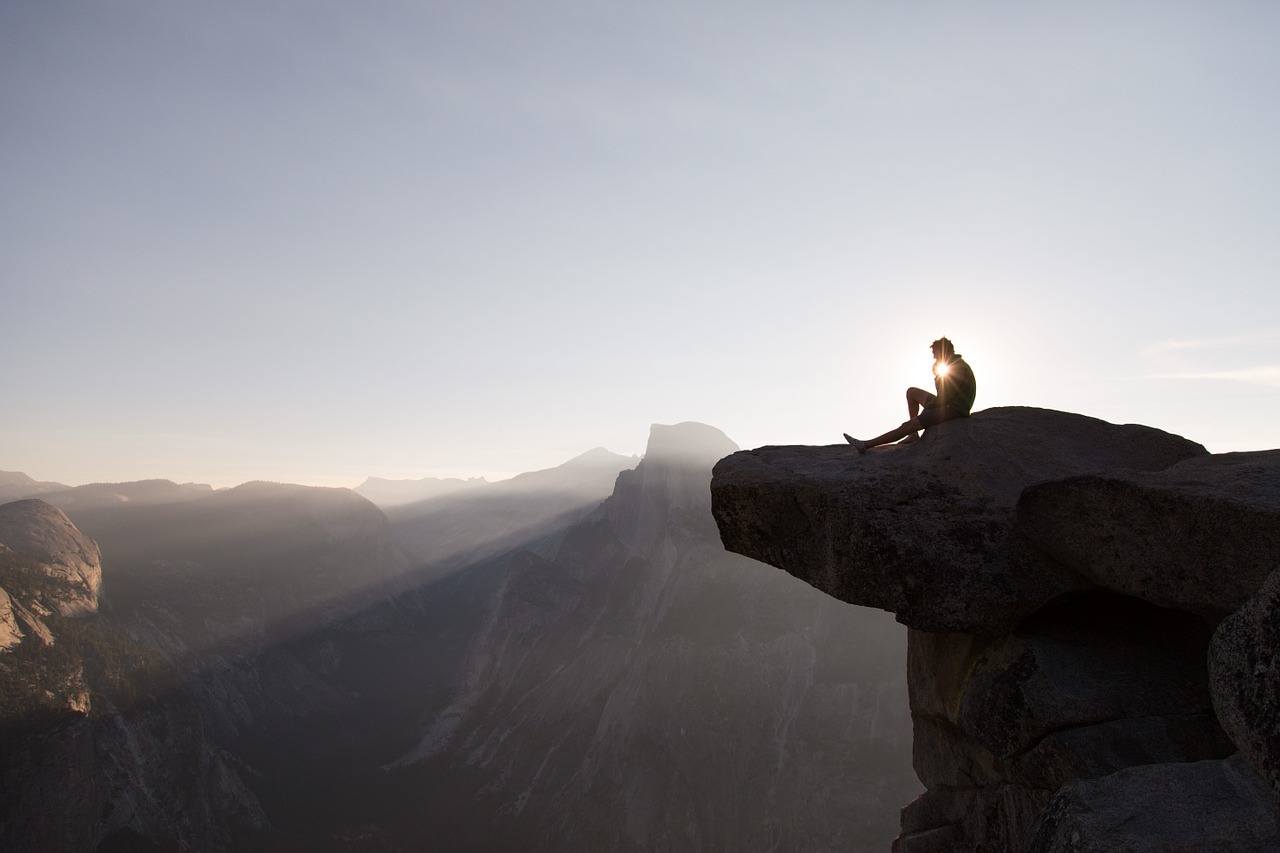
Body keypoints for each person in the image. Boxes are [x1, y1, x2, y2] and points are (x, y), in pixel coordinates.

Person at [843, 337, 976, 454]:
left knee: (908, 425)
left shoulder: (955, 367)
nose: (934, 357)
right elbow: (944, 394)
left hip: (954, 408)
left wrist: (928, 410)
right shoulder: (952, 364)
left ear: (943, 351)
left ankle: (865, 445)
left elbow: (945, 398)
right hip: (947, 402)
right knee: (911, 392)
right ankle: (913, 435)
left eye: (935, 354)